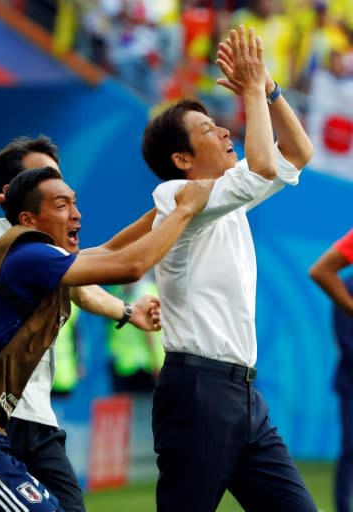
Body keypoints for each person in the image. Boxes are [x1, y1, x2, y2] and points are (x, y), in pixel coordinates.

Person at [0, 165, 212, 511]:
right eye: (62, 204)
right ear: (28, 218)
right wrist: (185, 209)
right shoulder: (31, 254)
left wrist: (167, 207)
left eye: (75, 202)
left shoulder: (30, 256)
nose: (77, 213)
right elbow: (130, 265)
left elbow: (110, 251)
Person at [142, 26, 316, 511]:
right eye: (206, 130)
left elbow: (298, 153)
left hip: (242, 394)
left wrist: (271, 91)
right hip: (197, 391)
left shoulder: (230, 193)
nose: (223, 130)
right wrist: (253, 88)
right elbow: (263, 163)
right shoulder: (175, 196)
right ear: (181, 160)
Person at [309, 229, 353, 512]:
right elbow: (346, 340)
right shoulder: (346, 285)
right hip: (351, 382)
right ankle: (342, 506)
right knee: (351, 448)